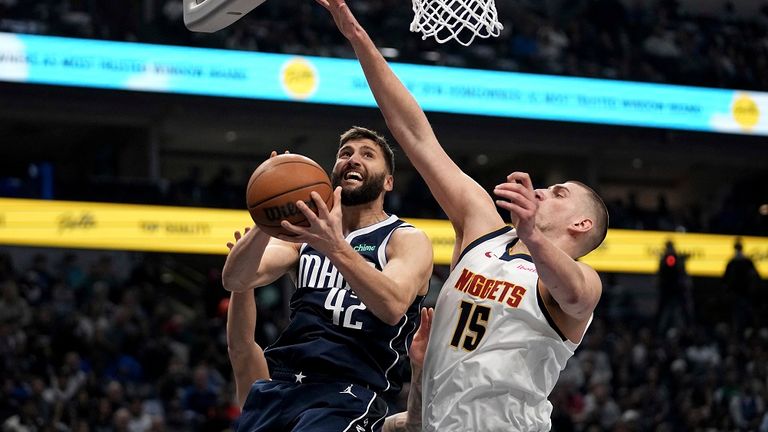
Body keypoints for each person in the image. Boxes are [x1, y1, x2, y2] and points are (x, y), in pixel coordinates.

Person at [315, 1, 609, 430]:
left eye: (559, 193)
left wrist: (533, 235)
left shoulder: (576, 285)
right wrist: (356, 35)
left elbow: (577, 294)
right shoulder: (482, 229)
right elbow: (415, 134)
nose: (544, 191)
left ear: (580, 225)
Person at [222, 142, 434, 431]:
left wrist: (335, 247)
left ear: (388, 182)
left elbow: (393, 305)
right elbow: (236, 278)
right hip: (282, 386)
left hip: (347, 393)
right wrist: (269, 211)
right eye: (345, 154)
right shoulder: (301, 237)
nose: (353, 159)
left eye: (367, 155)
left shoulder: (405, 238)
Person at [225, 227, 432, 432]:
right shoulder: (268, 397)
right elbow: (240, 348)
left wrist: (420, 370)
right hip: (295, 391)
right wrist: (246, 268)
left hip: (345, 393)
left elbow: (240, 348)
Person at [722, 238, 760, 331]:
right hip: (737, 294)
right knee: (739, 316)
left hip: (745, 294)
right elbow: (725, 279)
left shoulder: (745, 262)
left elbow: (755, 276)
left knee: (746, 314)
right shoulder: (733, 262)